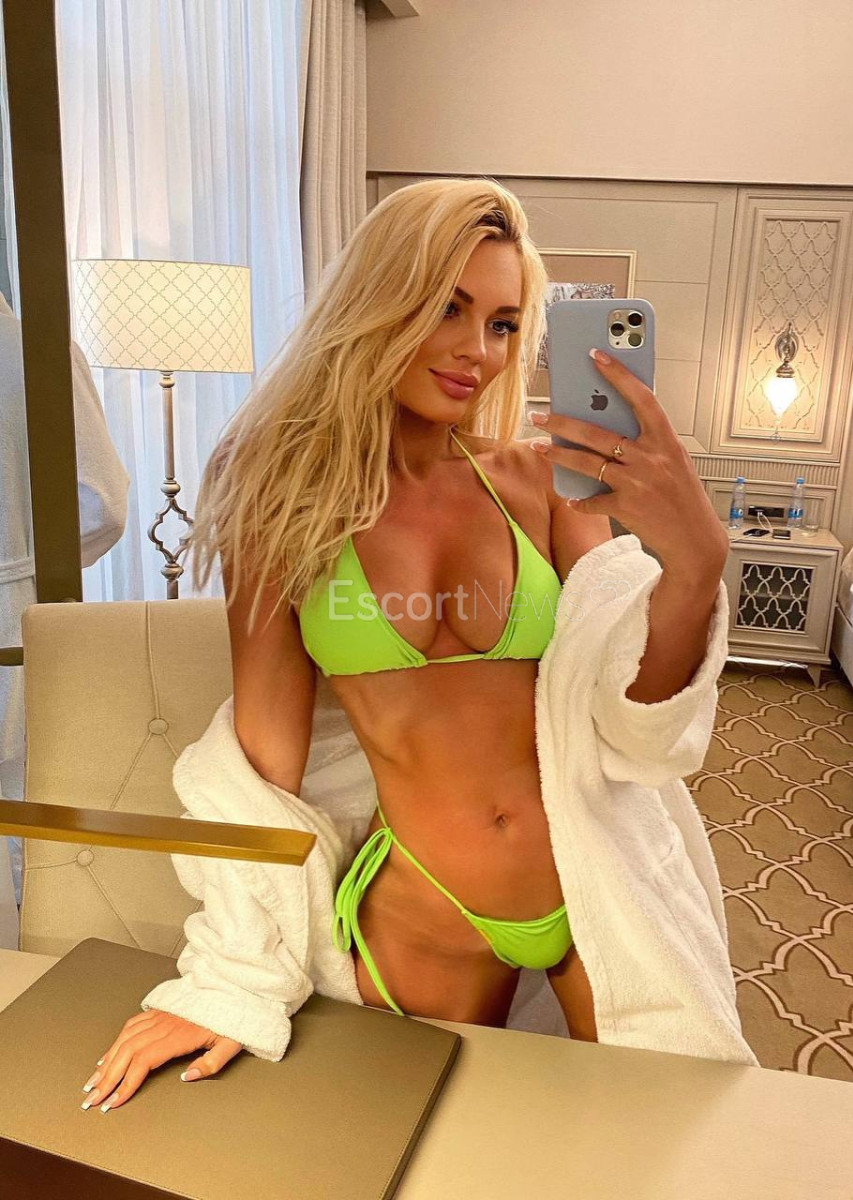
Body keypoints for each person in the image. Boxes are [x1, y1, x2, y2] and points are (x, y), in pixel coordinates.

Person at [79, 178, 733, 1113]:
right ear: (378, 300)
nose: (478, 351)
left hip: (598, 881)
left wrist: (697, 565)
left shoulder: (542, 480)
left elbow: (631, 714)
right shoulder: (279, 489)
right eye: (447, 308)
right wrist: (229, 973)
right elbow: (266, 756)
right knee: (413, 1148)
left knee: (663, 1142)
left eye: (504, 325)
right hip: (426, 907)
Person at [0, 292, 128, 944]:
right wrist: (34, 560)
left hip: (17, 597)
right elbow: (103, 503)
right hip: (16, 610)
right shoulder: (31, 350)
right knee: (20, 810)